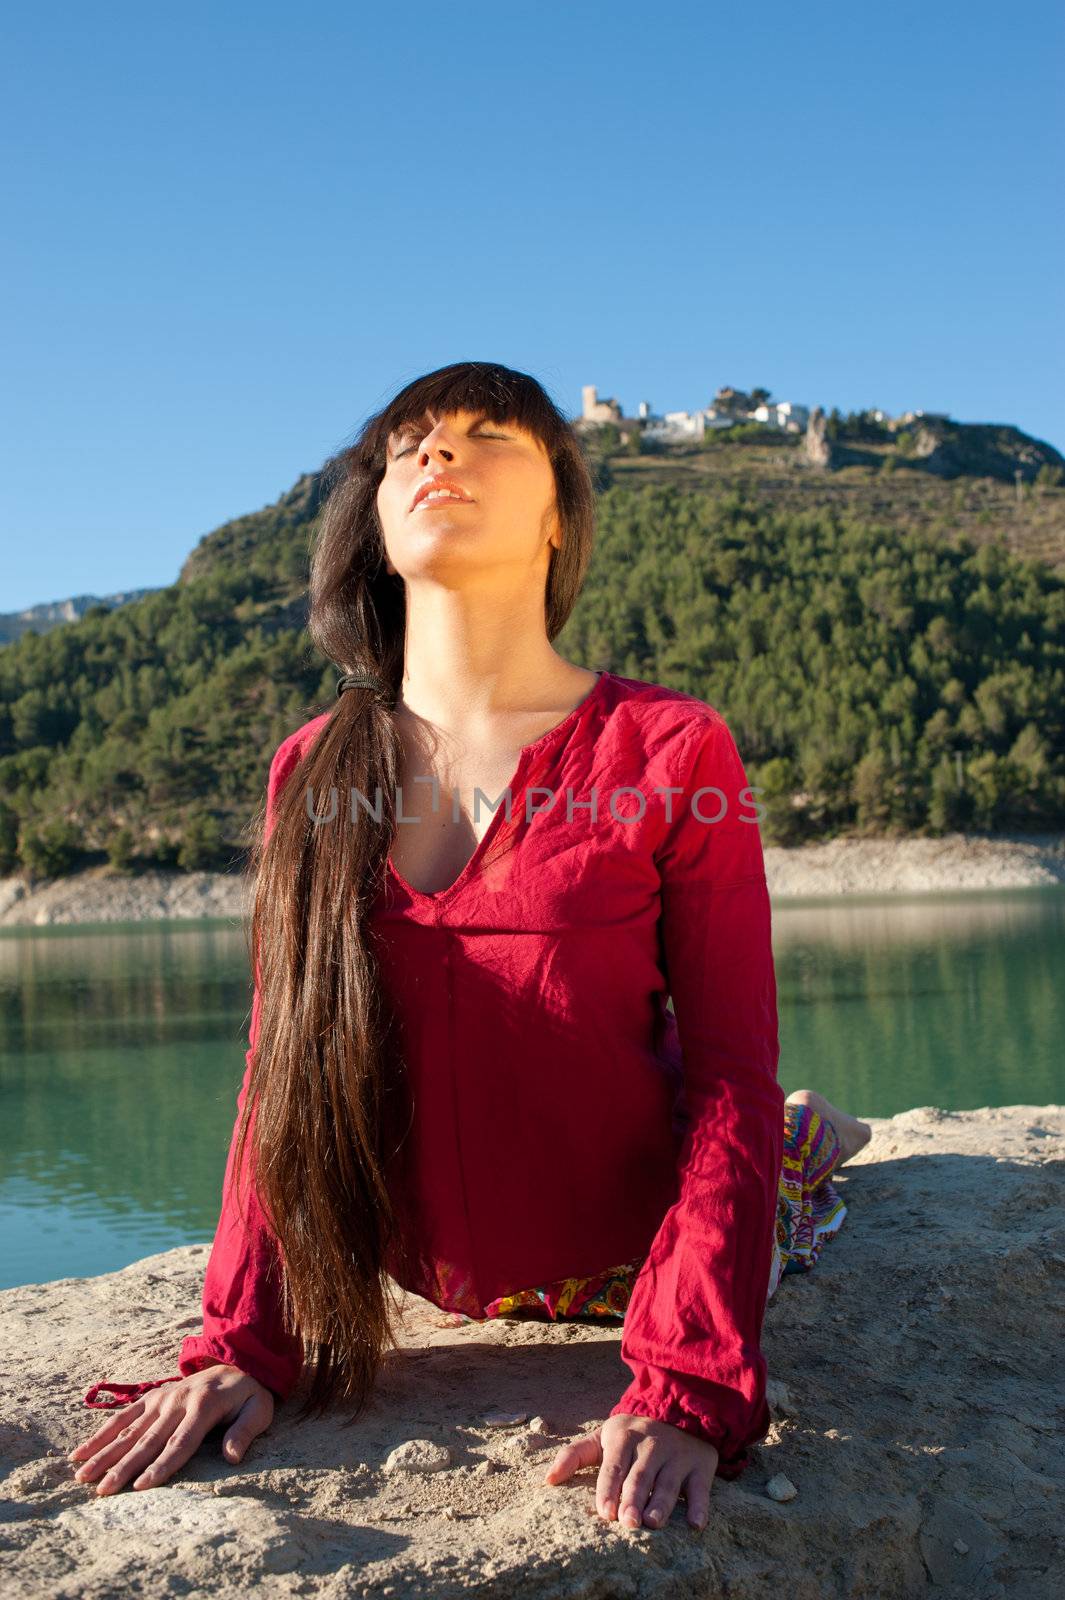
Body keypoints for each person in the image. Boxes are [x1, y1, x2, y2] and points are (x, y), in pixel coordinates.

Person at [68, 360, 872, 1532]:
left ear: (559, 515)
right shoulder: (312, 767)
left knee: (774, 1136)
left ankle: (817, 1139)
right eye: (408, 445)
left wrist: (688, 1381)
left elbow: (726, 1073)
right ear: (378, 524)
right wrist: (244, 1340)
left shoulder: (671, 746)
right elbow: (277, 1072)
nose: (438, 455)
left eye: (490, 434)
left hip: (623, 1250)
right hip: (412, 1268)